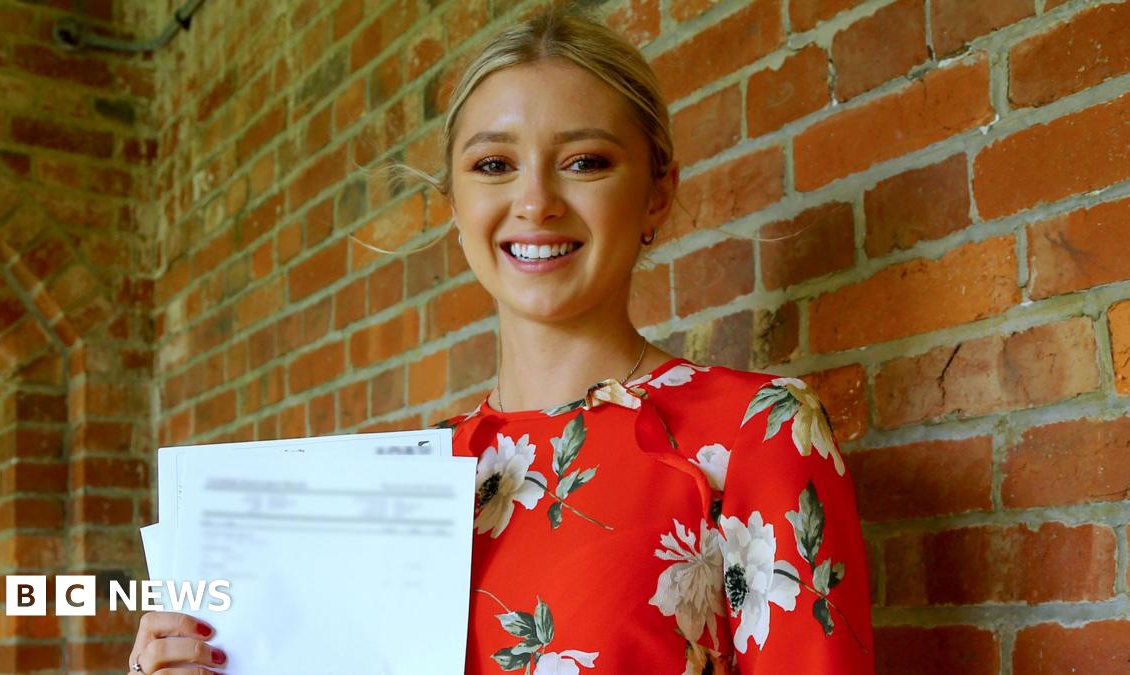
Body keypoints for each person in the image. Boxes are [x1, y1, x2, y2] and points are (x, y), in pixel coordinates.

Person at [129, 7, 874, 674]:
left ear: (656, 191)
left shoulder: (758, 434)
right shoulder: (413, 481)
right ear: (454, 206)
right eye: (493, 165)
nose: (535, 201)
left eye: (585, 161)